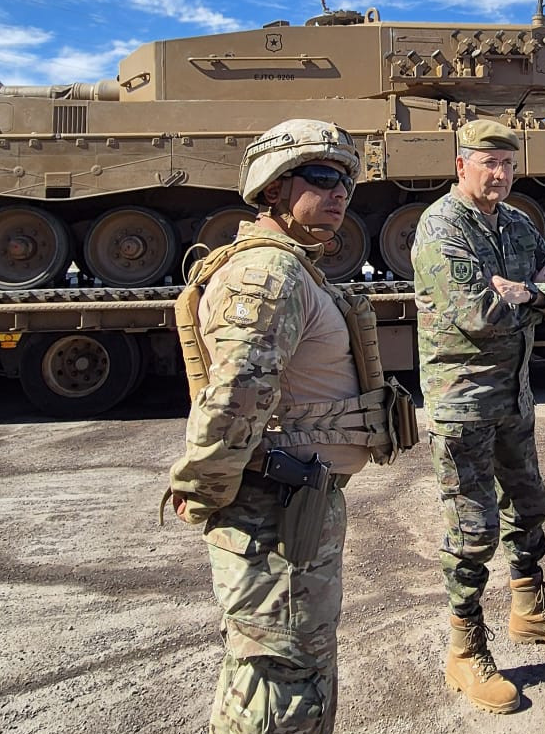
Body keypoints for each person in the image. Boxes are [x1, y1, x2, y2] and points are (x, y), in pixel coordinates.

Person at [167, 118, 406, 734]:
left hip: (294, 502)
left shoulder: (294, 269)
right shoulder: (267, 275)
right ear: (273, 187)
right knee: (283, 679)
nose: (340, 194)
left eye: (348, 182)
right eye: (323, 177)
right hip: (274, 512)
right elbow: (235, 399)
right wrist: (208, 496)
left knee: (284, 672)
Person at [411, 119, 545, 714]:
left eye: (508, 164)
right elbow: (477, 313)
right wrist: (526, 297)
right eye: (488, 162)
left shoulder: (518, 225)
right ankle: (465, 651)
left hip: (513, 395)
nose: (500, 173)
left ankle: (530, 610)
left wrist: (530, 293)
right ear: (460, 164)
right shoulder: (441, 227)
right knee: (472, 530)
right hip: (462, 402)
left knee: (529, 505)